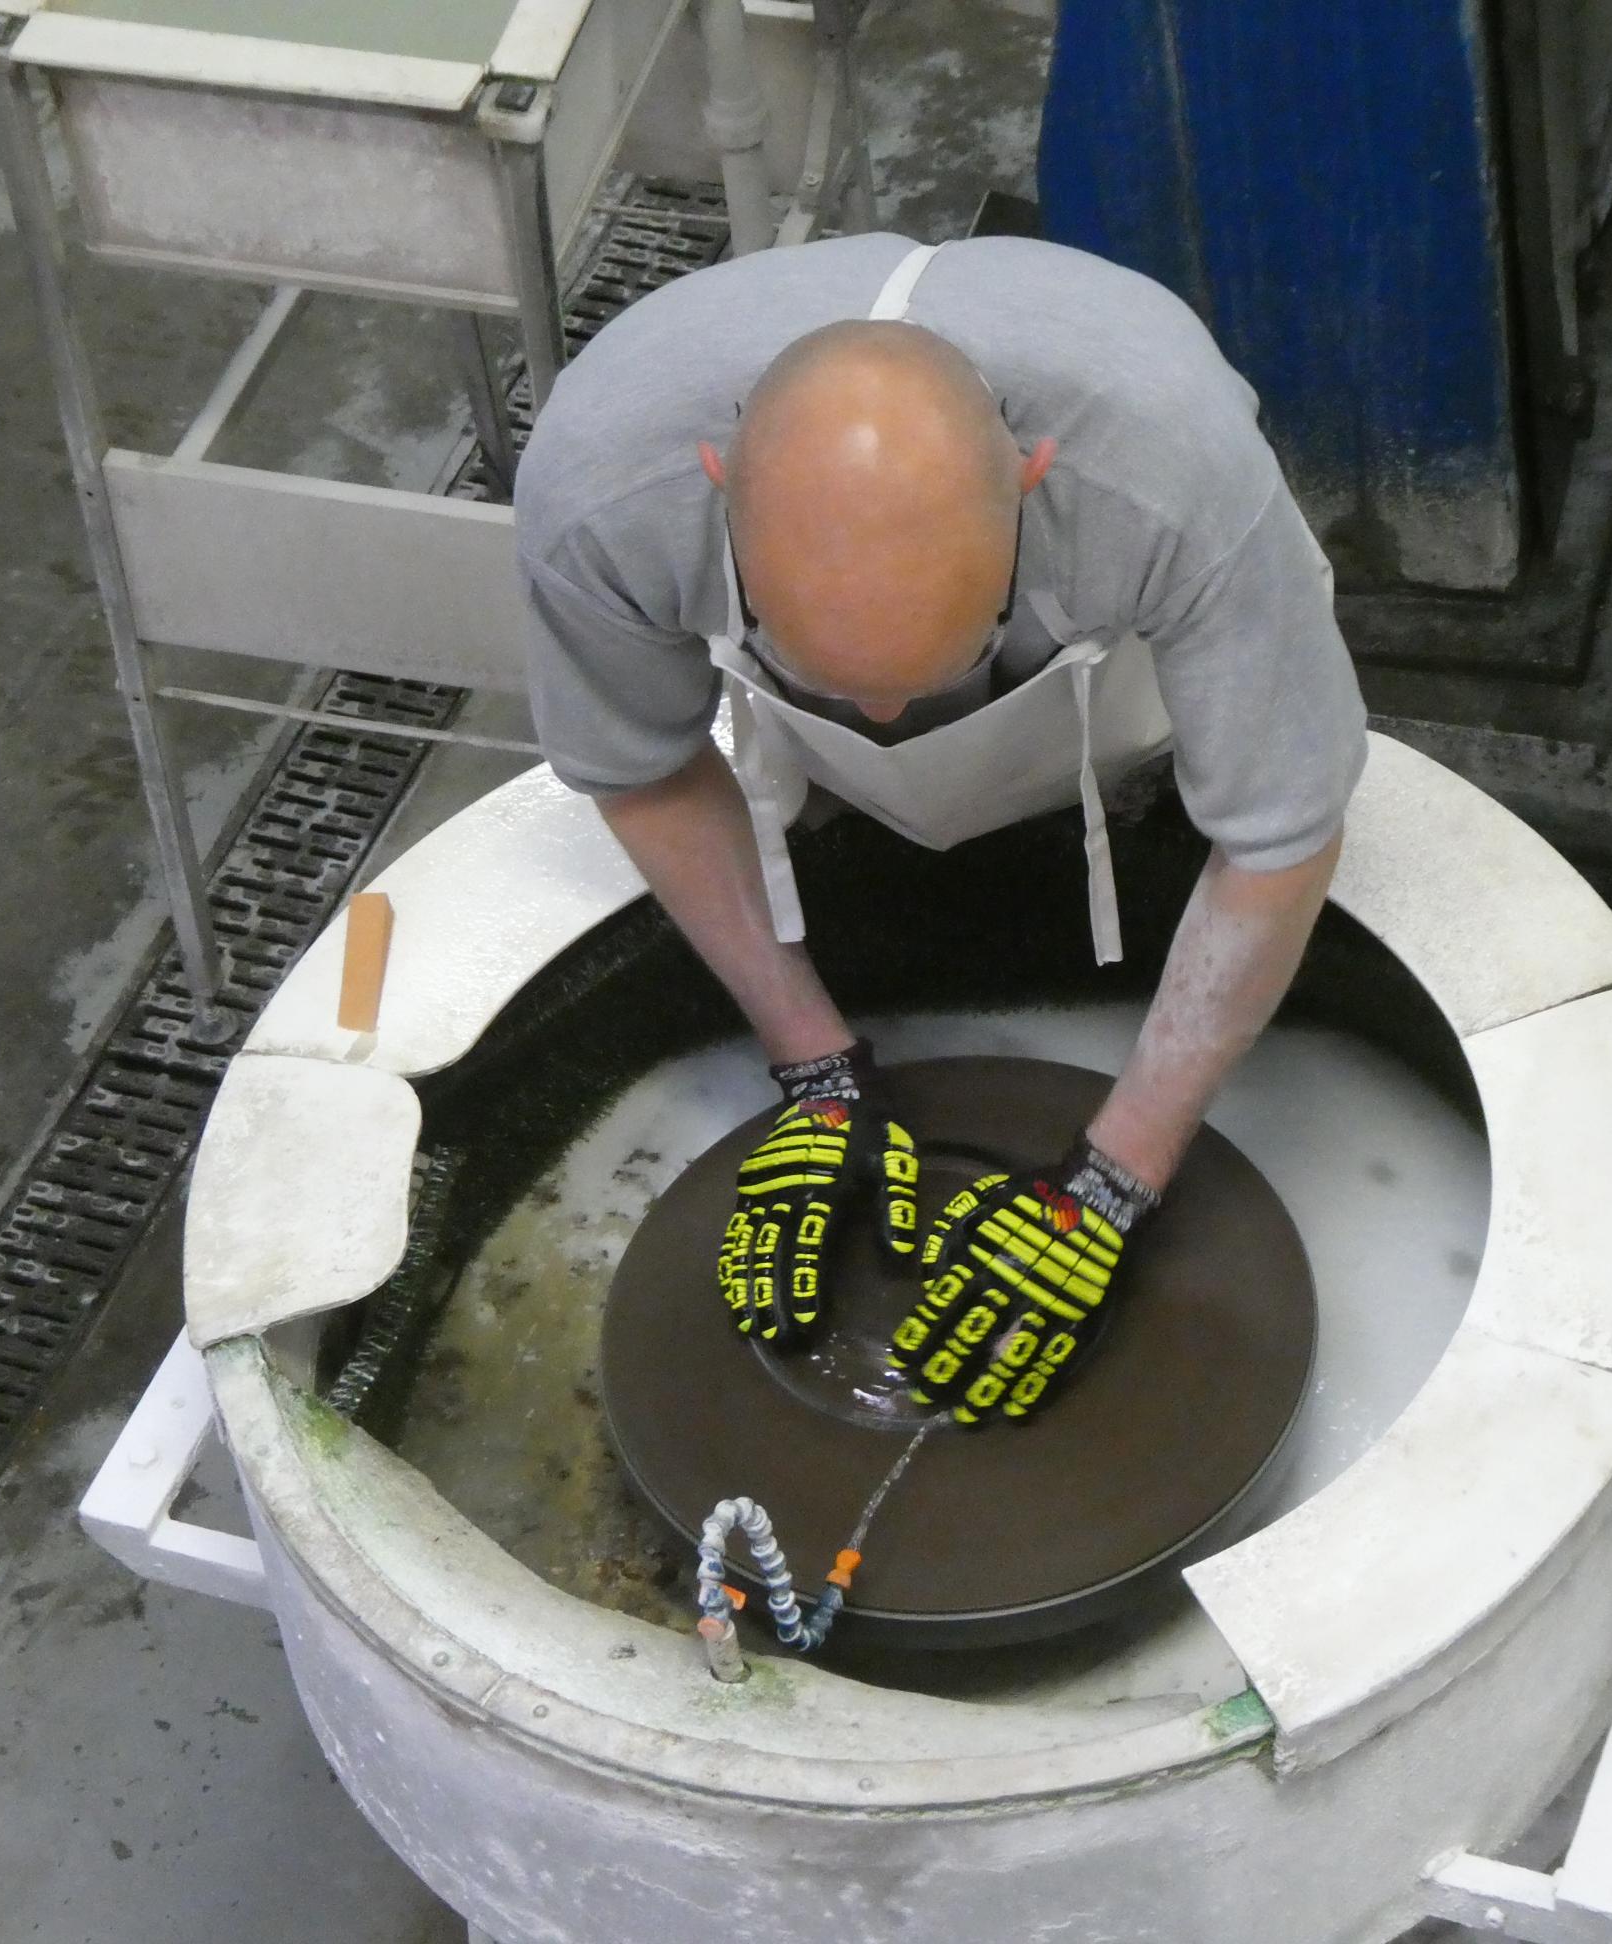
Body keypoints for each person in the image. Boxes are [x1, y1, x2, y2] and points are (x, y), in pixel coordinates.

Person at [514, 233, 1367, 1425]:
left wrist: (1117, 1174)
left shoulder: (1170, 480)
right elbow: (644, 770)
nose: (883, 724)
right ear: (714, 483)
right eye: (831, 678)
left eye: (936, 662)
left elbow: (1279, 833)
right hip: (785, 697)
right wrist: (813, 1067)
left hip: (1110, 691)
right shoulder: (601, 500)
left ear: (1035, 479)